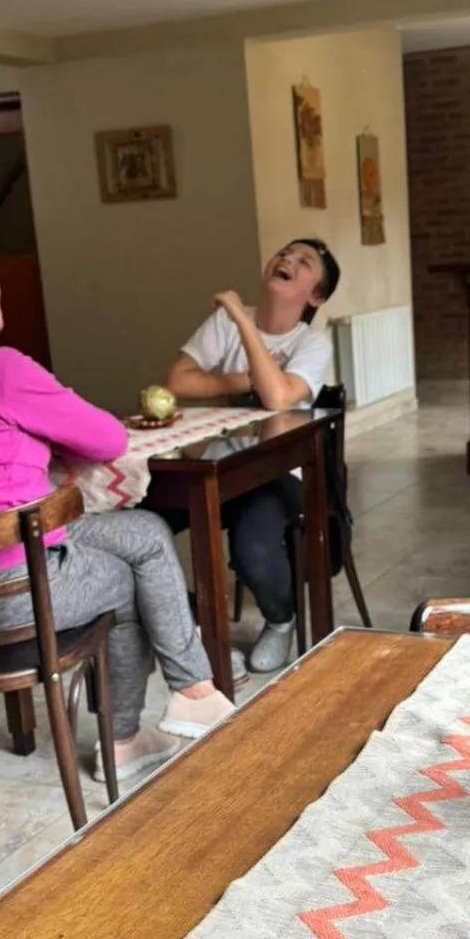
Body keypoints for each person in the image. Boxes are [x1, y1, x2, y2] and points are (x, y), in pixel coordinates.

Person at [0, 218, 233, 786]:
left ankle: (192, 692)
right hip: (9, 590)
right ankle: (134, 731)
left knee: (145, 535)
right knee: (130, 579)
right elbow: (110, 440)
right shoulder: (0, 369)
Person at [165, 238, 339, 673]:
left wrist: (241, 319)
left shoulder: (311, 343)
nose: (287, 261)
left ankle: (281, 621)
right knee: (148, 522)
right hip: (217, 465)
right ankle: (191, 622)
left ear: (315, 296)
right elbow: (178, 383)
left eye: (304, 263)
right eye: (285, 254)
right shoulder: (224, 325)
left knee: (252, 548)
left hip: (280, 473)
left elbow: (280, 398)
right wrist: (244, 378)